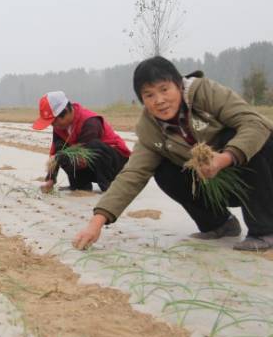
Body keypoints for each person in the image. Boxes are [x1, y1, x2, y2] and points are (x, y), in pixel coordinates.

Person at [73, 56, 273, 252]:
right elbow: (133, 174)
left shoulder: (204, 92)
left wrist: (225, 158)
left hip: (259, 174)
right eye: (149, 95)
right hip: (215, 181)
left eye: (164, 89)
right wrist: (97, 222)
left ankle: (265, 230)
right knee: (164, 169)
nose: (159, 100)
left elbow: (255, 123)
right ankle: (219, 224)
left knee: (246, 137)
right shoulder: (149, 128)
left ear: (179, 85)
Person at [32, 91, 130, 193]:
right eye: (51, 123)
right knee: (62, 152)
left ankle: (110, 187)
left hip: (116, 164)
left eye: (54, 121)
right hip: (93, 166)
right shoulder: (59, 127)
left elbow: (83, 153)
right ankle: (80, 185)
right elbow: (56, 154)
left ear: (66, 110)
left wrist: (64, 156)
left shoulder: (90, 122)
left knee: (92, 146)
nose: (54, 126)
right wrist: (51, 180)